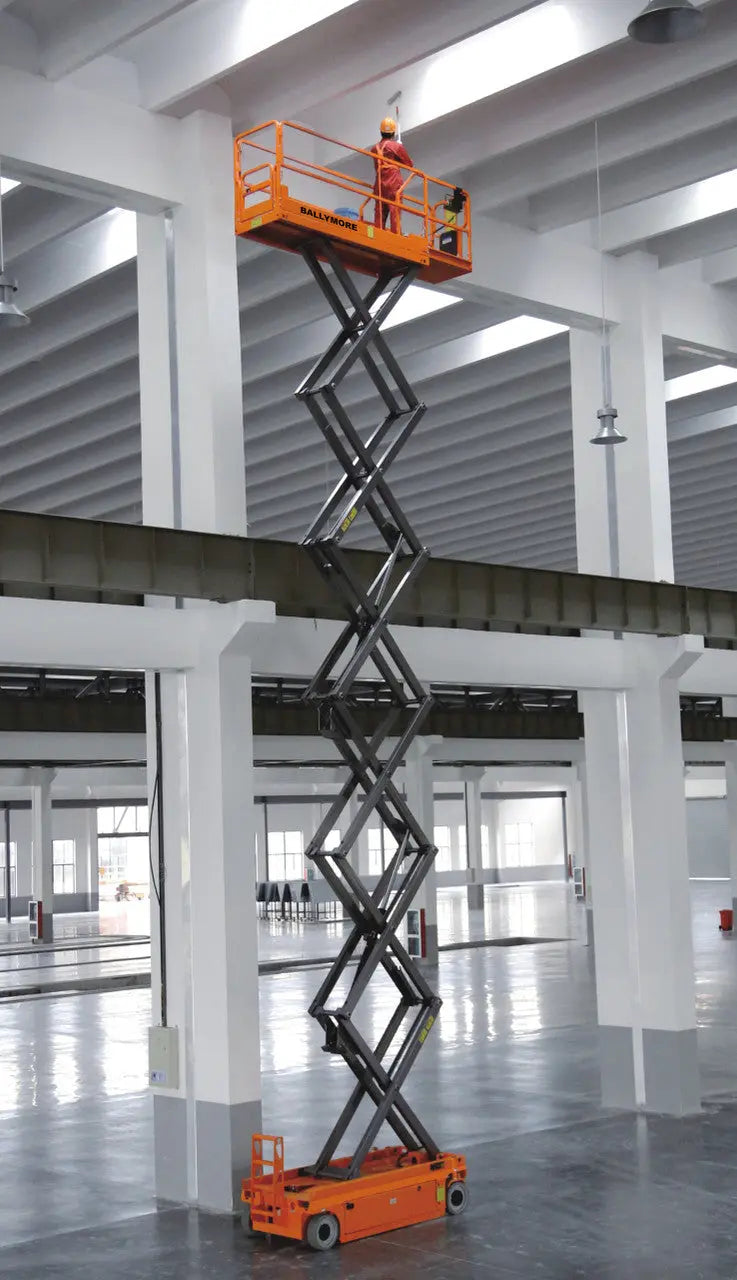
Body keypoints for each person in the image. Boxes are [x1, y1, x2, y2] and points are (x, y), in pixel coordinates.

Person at [372, 117, 413, 234]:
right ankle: (396, 235)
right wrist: (400, 147)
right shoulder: (396, 147)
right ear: (393, 133)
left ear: (381, 131)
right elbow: (409, 164)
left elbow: (377, 166)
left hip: (379, 184)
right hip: (393, 183)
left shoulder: (374, 149)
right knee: (394, 210)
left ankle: (377, 233)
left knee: (380, 210)